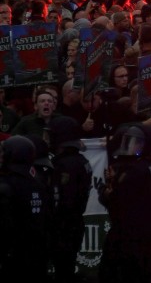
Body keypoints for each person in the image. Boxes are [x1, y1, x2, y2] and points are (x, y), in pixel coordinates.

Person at [97, 123, 151, 283]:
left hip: (128, 233)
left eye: (136, 142)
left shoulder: (135, 170)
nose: (131, 146)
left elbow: (116, 200)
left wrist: (105, 190)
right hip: (149, 231)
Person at [0, 136, 50, 282]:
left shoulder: (6, 186)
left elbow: (5, 228)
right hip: (38, 255)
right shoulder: (39, 183)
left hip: (12, 258)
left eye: (3, 152)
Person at [49, 116, 93, 283]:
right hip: (74, 223)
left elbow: (61, 200)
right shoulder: (82, 161)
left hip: (63, 225)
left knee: (63, 269)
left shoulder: (63, 165)